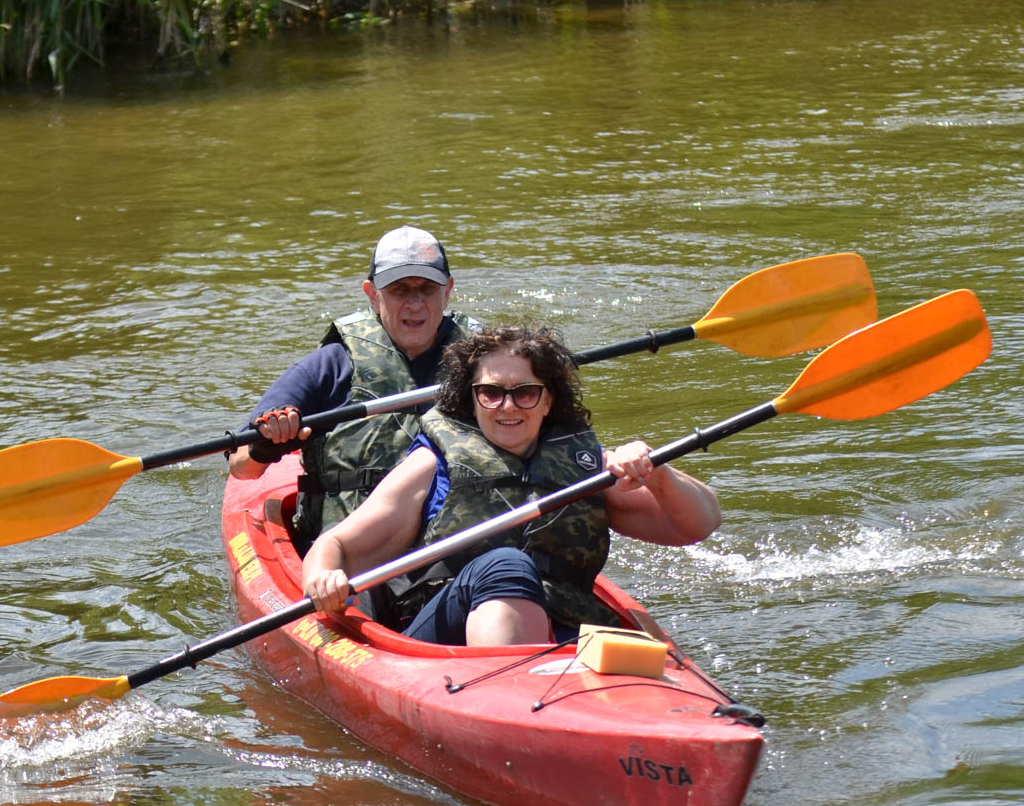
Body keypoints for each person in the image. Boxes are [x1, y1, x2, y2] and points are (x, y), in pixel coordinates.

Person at [302, 324, 722, 647]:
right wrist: (322, 578)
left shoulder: (586, 465)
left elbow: (699, 523)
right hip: (447, 640)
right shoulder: (432, 464)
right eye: (491, 393)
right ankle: (515, 696)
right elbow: (337, 546)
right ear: (472, 399)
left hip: (564, 634)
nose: (507, 406)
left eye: (524, 393)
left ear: (548, 400)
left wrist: (657, 472)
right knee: (505, 564)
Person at [227, 225, 474, 549]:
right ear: (372, 294)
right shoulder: (330, 365)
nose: (415, 304)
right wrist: (267, 446)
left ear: (448, 290)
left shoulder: (484, 361)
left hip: (457, 538)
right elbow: (241, 467)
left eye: (427, 288)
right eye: (399, 290)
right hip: (355, 549)